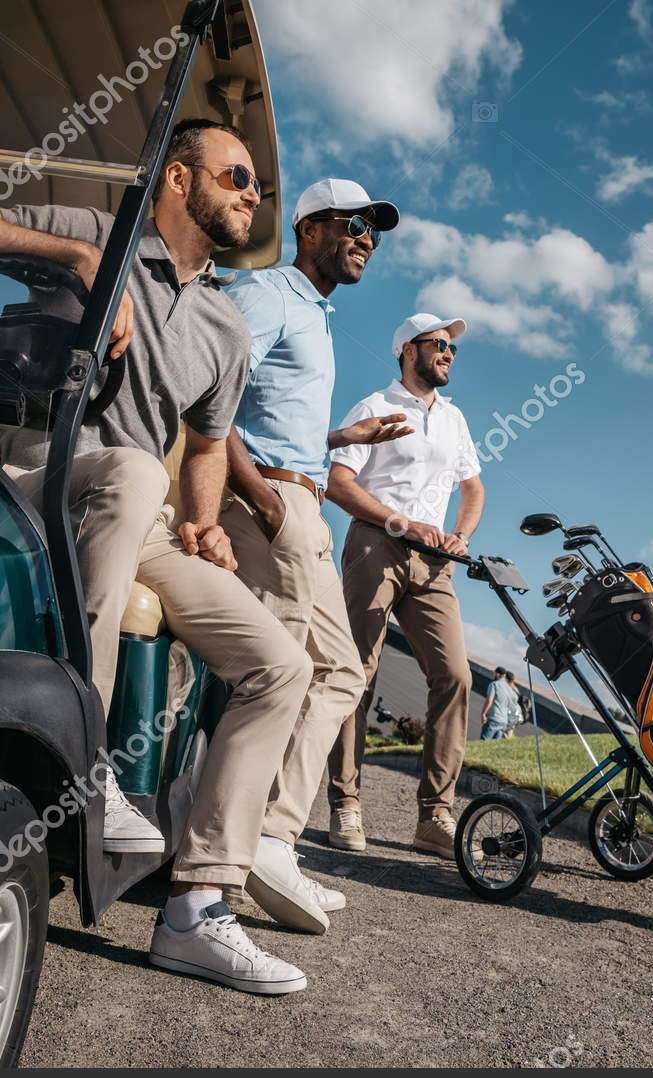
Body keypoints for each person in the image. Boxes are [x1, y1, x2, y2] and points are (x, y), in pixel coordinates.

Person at [0, 119, 314, 995]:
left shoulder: (226, 328)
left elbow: (204, 447)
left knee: (281, 663)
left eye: (257, 188)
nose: (252, 194)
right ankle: (84, 766)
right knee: (126, 469)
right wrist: (76, 261)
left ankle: (199, 908)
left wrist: (205, 523)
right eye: (238, 176)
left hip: (141, 515)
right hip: (24, 468)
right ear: (176, 176)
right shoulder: (94, 233)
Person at [218, 178, 407, 932]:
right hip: (273, 504)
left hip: (301, 499)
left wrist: (341, 440)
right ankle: (225, 863)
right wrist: (262, 500)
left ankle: (272, 838)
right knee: (287, 677)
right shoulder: (265, 293)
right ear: (311, 227)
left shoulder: (315, 315)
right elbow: (205, 397)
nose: (367, 238)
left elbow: (275, 415)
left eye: (375, 231)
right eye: (355, 224)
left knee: (340, 673)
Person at [325, 313, 485, 858]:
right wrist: (400, 522)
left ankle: (434, 816)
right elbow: (337, 483)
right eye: (438, 344)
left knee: (455, 675)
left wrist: (459, 535)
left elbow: (473, 488)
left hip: (435, 562)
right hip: (377, 545)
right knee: (358, 671)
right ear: (406, 350)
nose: (448, 353)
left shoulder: (455, 419)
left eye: (453, 348)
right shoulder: (373, 407)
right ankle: (345, 802)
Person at [481, 667, 520, 739]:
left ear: (497, 674)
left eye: (494, 673)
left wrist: (483, 713)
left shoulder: (494, 684)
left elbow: (489, 700)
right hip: (503, 722)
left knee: (484, 742)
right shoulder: (510, 689)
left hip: (493, 718)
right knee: (494, 746)